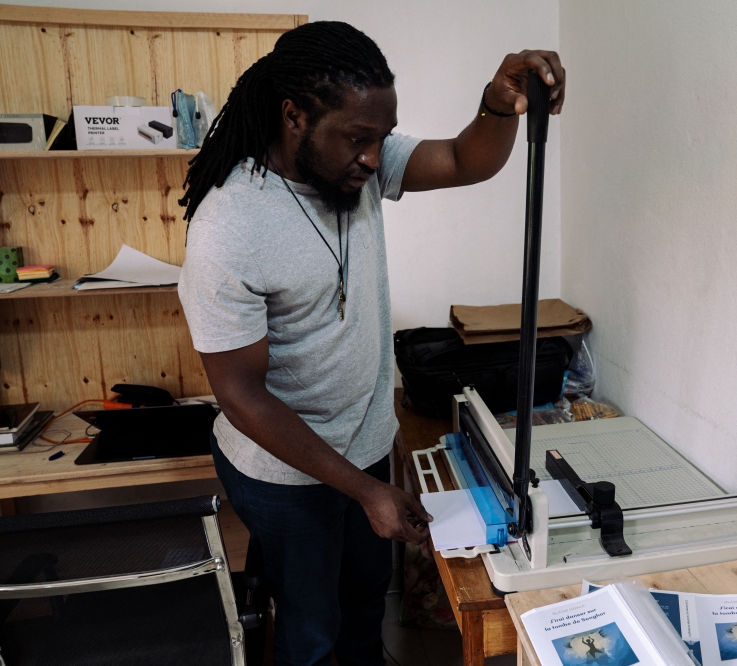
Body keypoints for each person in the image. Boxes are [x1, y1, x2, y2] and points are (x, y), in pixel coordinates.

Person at [177, 20, 565, 666]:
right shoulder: (228, 226)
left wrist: (498, 104)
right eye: (358, 139)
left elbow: (469, 159)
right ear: (293, 116)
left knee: (363, 600)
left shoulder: (358, 164)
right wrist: (363, 490)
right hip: (284, 472)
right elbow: (241, 396)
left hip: (362, 449)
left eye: (380, 139)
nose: (372, 157)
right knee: (311, 631)